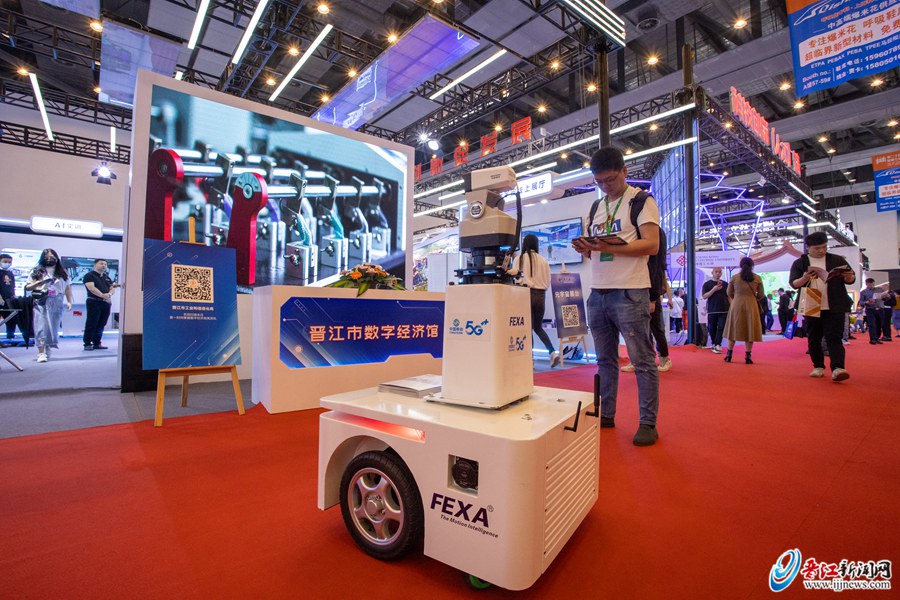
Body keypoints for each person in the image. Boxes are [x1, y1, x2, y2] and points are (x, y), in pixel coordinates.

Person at [572, 146, 660, 447]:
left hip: (630, 290)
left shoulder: (641, 201)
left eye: (610, 179)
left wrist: (607, 247)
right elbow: (593, 251)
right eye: (599, 181)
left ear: (624, 171)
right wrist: (586, 247)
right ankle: (606, 414)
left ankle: (648, 423)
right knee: (604, 360)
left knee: (642, 360)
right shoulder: (596, 207)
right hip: (598, 292)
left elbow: (651, 245)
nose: (605, 186)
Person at [788, 231, 856, 382]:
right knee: (814, 338)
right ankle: (818, 366)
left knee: (834, 337)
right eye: (817, 248)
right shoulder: (800, 263)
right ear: (808, 247)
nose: (821, 250)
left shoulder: (837, 260)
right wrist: (804, 278)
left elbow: (850, 279)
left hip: (834, 303)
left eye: (824, 247)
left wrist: (849, 277)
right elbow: (794, 284)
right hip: (811, 302)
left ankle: (838, 368)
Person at [511, 234, 560, 367]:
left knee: (527, 328)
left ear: (524, 244)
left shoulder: (519, 259)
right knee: (538, 327)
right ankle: (552, 352)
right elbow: (548, 280)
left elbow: (516, 278)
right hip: (541, 295)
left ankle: (530, 359)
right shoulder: (543, 260)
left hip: (525, 294)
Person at [25, 249, 72, 363]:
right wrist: (38, 283)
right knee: (40, 326)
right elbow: (28, 287)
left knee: (53, 327)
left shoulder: (63, 272)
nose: (49, 259)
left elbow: (67, 288)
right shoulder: (36, 271)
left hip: (57, 301)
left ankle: (48, 346)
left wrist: (69, 301)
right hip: (41, 300)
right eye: (47, 257)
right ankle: (41, 352)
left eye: (52, 257)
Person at [722, 257, 764, 364]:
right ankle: (748, 356)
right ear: (752, 265)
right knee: (750, 330)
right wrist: (752, 298)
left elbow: (728, 292)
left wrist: (736, 297)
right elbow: (761, 295)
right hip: (751, 305)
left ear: (740, 265)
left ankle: (729, 355)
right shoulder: (757, 278)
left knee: (733, 329)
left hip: (736, 304)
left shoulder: (735, 277)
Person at [82, 258, 116, 351]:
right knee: (92, 323)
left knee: (102, 323)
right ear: (95, 264)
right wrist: (102, 295)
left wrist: (109, 295)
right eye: (101, 263)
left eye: (105, 264)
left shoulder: (106, 277)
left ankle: (97, 342)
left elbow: (112, 288)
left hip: (105, 303)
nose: (104, 265)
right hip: (94, 302)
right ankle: (87, 343)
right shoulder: (89, 276)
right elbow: (91, 288)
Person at [701, 267, 729, 352]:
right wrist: (714, 289)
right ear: (712, 273)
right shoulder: (707, 284)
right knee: (712, 328)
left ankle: (718, 344)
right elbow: (704, 296)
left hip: (724, 309)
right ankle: (714, 343)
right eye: (716, 272)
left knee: (721, 327)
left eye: (719, 272)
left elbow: (729, 296)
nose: (718, 273)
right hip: (712, 309)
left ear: (721, 273)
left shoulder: (725, 284)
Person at [858, 279, 884, 345]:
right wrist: (866, 302)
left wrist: (886, 296)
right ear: (866, 284)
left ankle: (877, 338)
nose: (872, 286)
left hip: (880, 308)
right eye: (870, 285)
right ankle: (873, 339)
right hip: (870, 309)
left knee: (879, 324)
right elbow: (861, 302)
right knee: (872, 324)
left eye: (873, 284)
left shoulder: (879, 289)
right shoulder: (863, 292)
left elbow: (884, 298)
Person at [0, 253, 18, 341]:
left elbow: (12, 286)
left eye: (9, 262)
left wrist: (14, 296)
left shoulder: (10, 273)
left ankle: (10, 337)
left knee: (11, 318)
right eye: (5, 261)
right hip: (1, 299)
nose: (7, 263)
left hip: (9, 300)